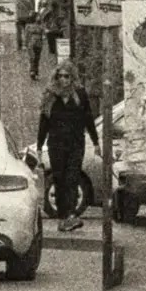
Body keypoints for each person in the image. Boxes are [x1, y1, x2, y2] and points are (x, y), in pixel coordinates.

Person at [36, 62, 98, 231]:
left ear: (72, 77)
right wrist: (39, 146)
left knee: (72, 178)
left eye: (66, 76)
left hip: (75, 143)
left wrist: (96, 141)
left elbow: (88, 119)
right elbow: (44, 122)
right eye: (60, 76)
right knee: (59, 179)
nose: (63, 79)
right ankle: (63, 218)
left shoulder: (80, 94)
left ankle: (70, 215)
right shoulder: (50, 96)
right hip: (56, 144)